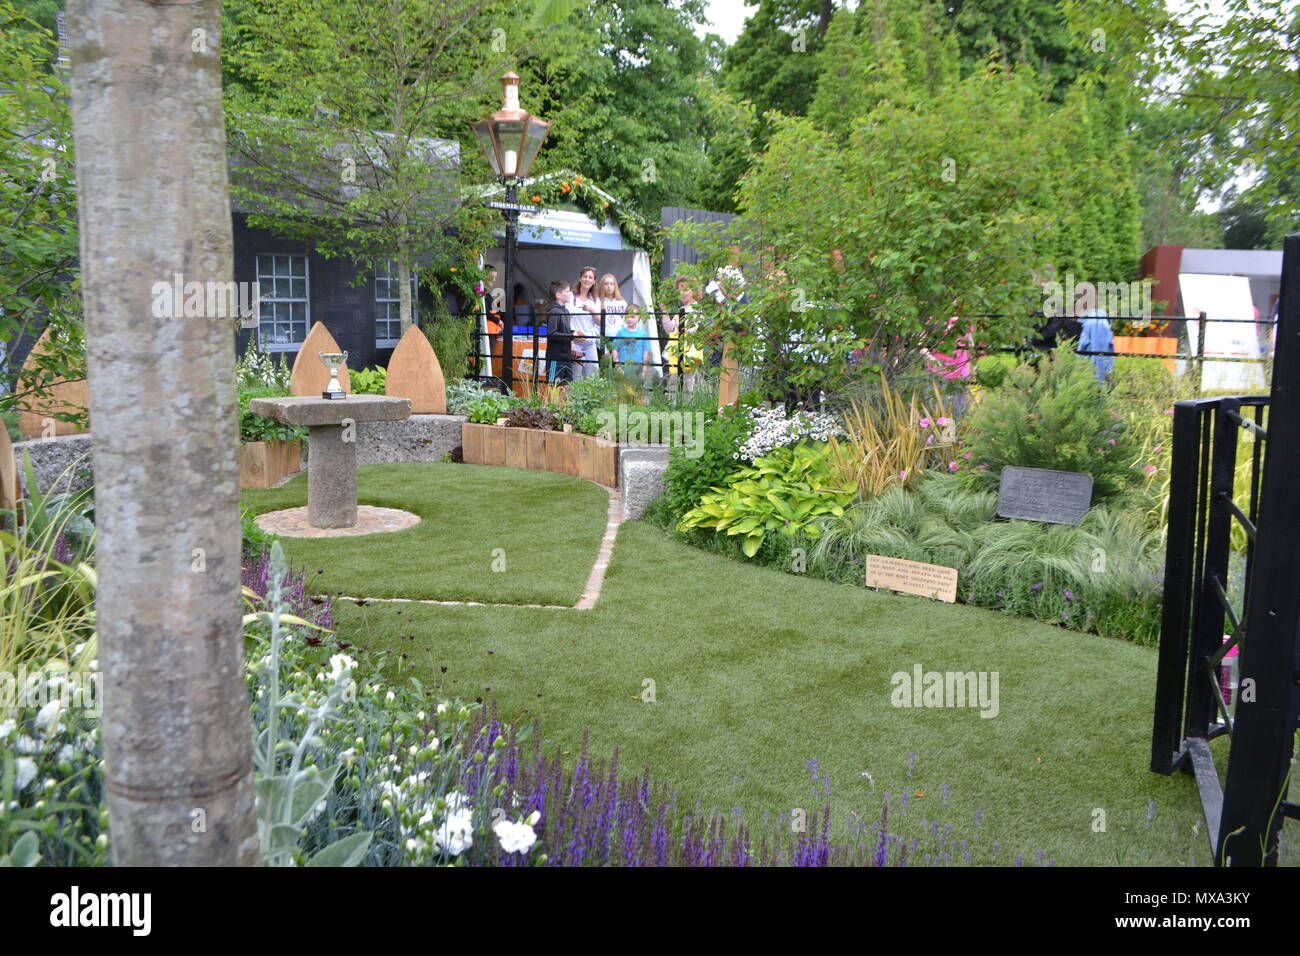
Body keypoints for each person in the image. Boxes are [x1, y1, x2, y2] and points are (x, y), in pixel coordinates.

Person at [545, 280, 582, 384]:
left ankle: (563, 401)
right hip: (555, 357)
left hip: (566, 356)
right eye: (567, 291)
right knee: (553, 386)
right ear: (558, 295)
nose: (570, 293)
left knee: (567, 385)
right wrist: (571, 335)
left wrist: (575, 334)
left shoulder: (566, 311)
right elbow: (551, 333)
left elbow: (564, 331)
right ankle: (553, 401)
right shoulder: (554, 311)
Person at [570, 266, 600, 379]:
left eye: (590, 277)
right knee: (576, 377)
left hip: (590, 343)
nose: (587, 279)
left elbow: (599, 322)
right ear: (580, 279)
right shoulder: (571, 297)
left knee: (593, 377)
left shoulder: (595, 300)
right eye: (585, 276)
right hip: (576, 342)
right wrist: (571, 342)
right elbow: (567, 320)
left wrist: (591, 310)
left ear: (594, 281)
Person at [613, 306, 652, 382]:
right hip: (623, 370)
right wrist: (617, 366)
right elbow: (615, 349)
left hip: (638, 369)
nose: (629, 319)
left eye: (632, 317)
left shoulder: (642, 334)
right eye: (627, 316)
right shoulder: (621, 333)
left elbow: (646, 352)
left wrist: (644, 370)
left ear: (638, 318)